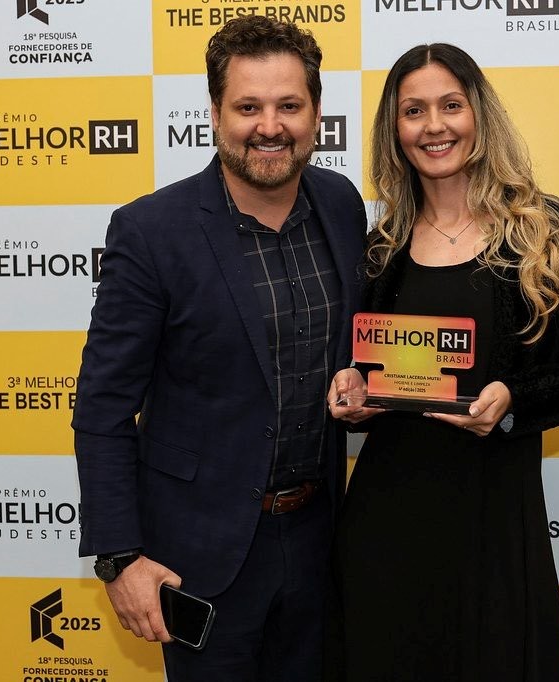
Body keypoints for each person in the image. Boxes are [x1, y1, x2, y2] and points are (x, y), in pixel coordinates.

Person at [72, 16, 367, 682]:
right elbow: (103, 407)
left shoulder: (341, 204)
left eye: (289, 105)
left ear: (317, 113)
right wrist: (120, 557)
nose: (270, 126)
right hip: (200, 556)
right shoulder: (151, 231)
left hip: (320, 541)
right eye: (248, 107)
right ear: (214, 113)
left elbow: (352, 351)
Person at [326, 43, 559, 681]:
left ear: (479, 113)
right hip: (386, 522)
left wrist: (513, 401)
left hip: (494, 521)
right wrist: (352, 392)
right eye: (414, 111)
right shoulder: (380, 249)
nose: (434, 126)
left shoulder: (545, 233)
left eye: (451, 105)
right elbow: (368, 373)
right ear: (394, 129)